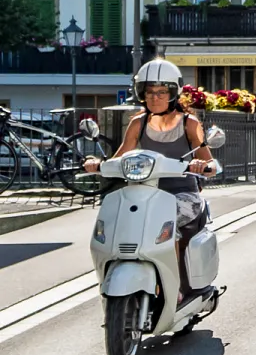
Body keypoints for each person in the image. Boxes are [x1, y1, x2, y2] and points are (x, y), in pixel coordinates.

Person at [84, 60, 218, 303]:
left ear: (173, 93)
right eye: (149, 92)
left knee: (166, 224)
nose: (155, 98)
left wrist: (202, 165)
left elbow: (210, 162)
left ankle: (174, 286)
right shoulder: (139, 123)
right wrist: (98, 164)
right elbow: (120, 157)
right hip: (144, 194)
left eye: (161, 92)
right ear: (141, 94)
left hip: (182, 194)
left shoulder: (189, 123)